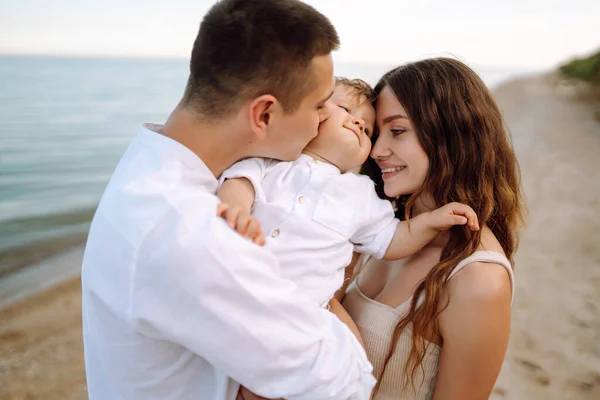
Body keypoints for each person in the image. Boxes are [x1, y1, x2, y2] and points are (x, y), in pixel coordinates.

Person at [80, 1, 378, 399]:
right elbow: (343, 381)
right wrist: (330, 302)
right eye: (319, 105)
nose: (323, 120)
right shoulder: (192, 230)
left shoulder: (149, 166)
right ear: (264, 115)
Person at [341, 58, 525, 399]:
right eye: (376, 133)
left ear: (451, 134)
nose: (378, 150)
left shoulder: (477, 276)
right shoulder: (382, 230)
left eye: (397, 131)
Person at [217, 77, 479, 313]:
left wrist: (432, 220)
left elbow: (392, 239)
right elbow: (239, 183)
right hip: (239, 280)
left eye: (367, 130)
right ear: (314, 112)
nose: (358, 122)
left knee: (352, 354)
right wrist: (236, 211)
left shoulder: (361, 193)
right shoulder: (275, 160)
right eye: (345, 109)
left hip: (302, 311)